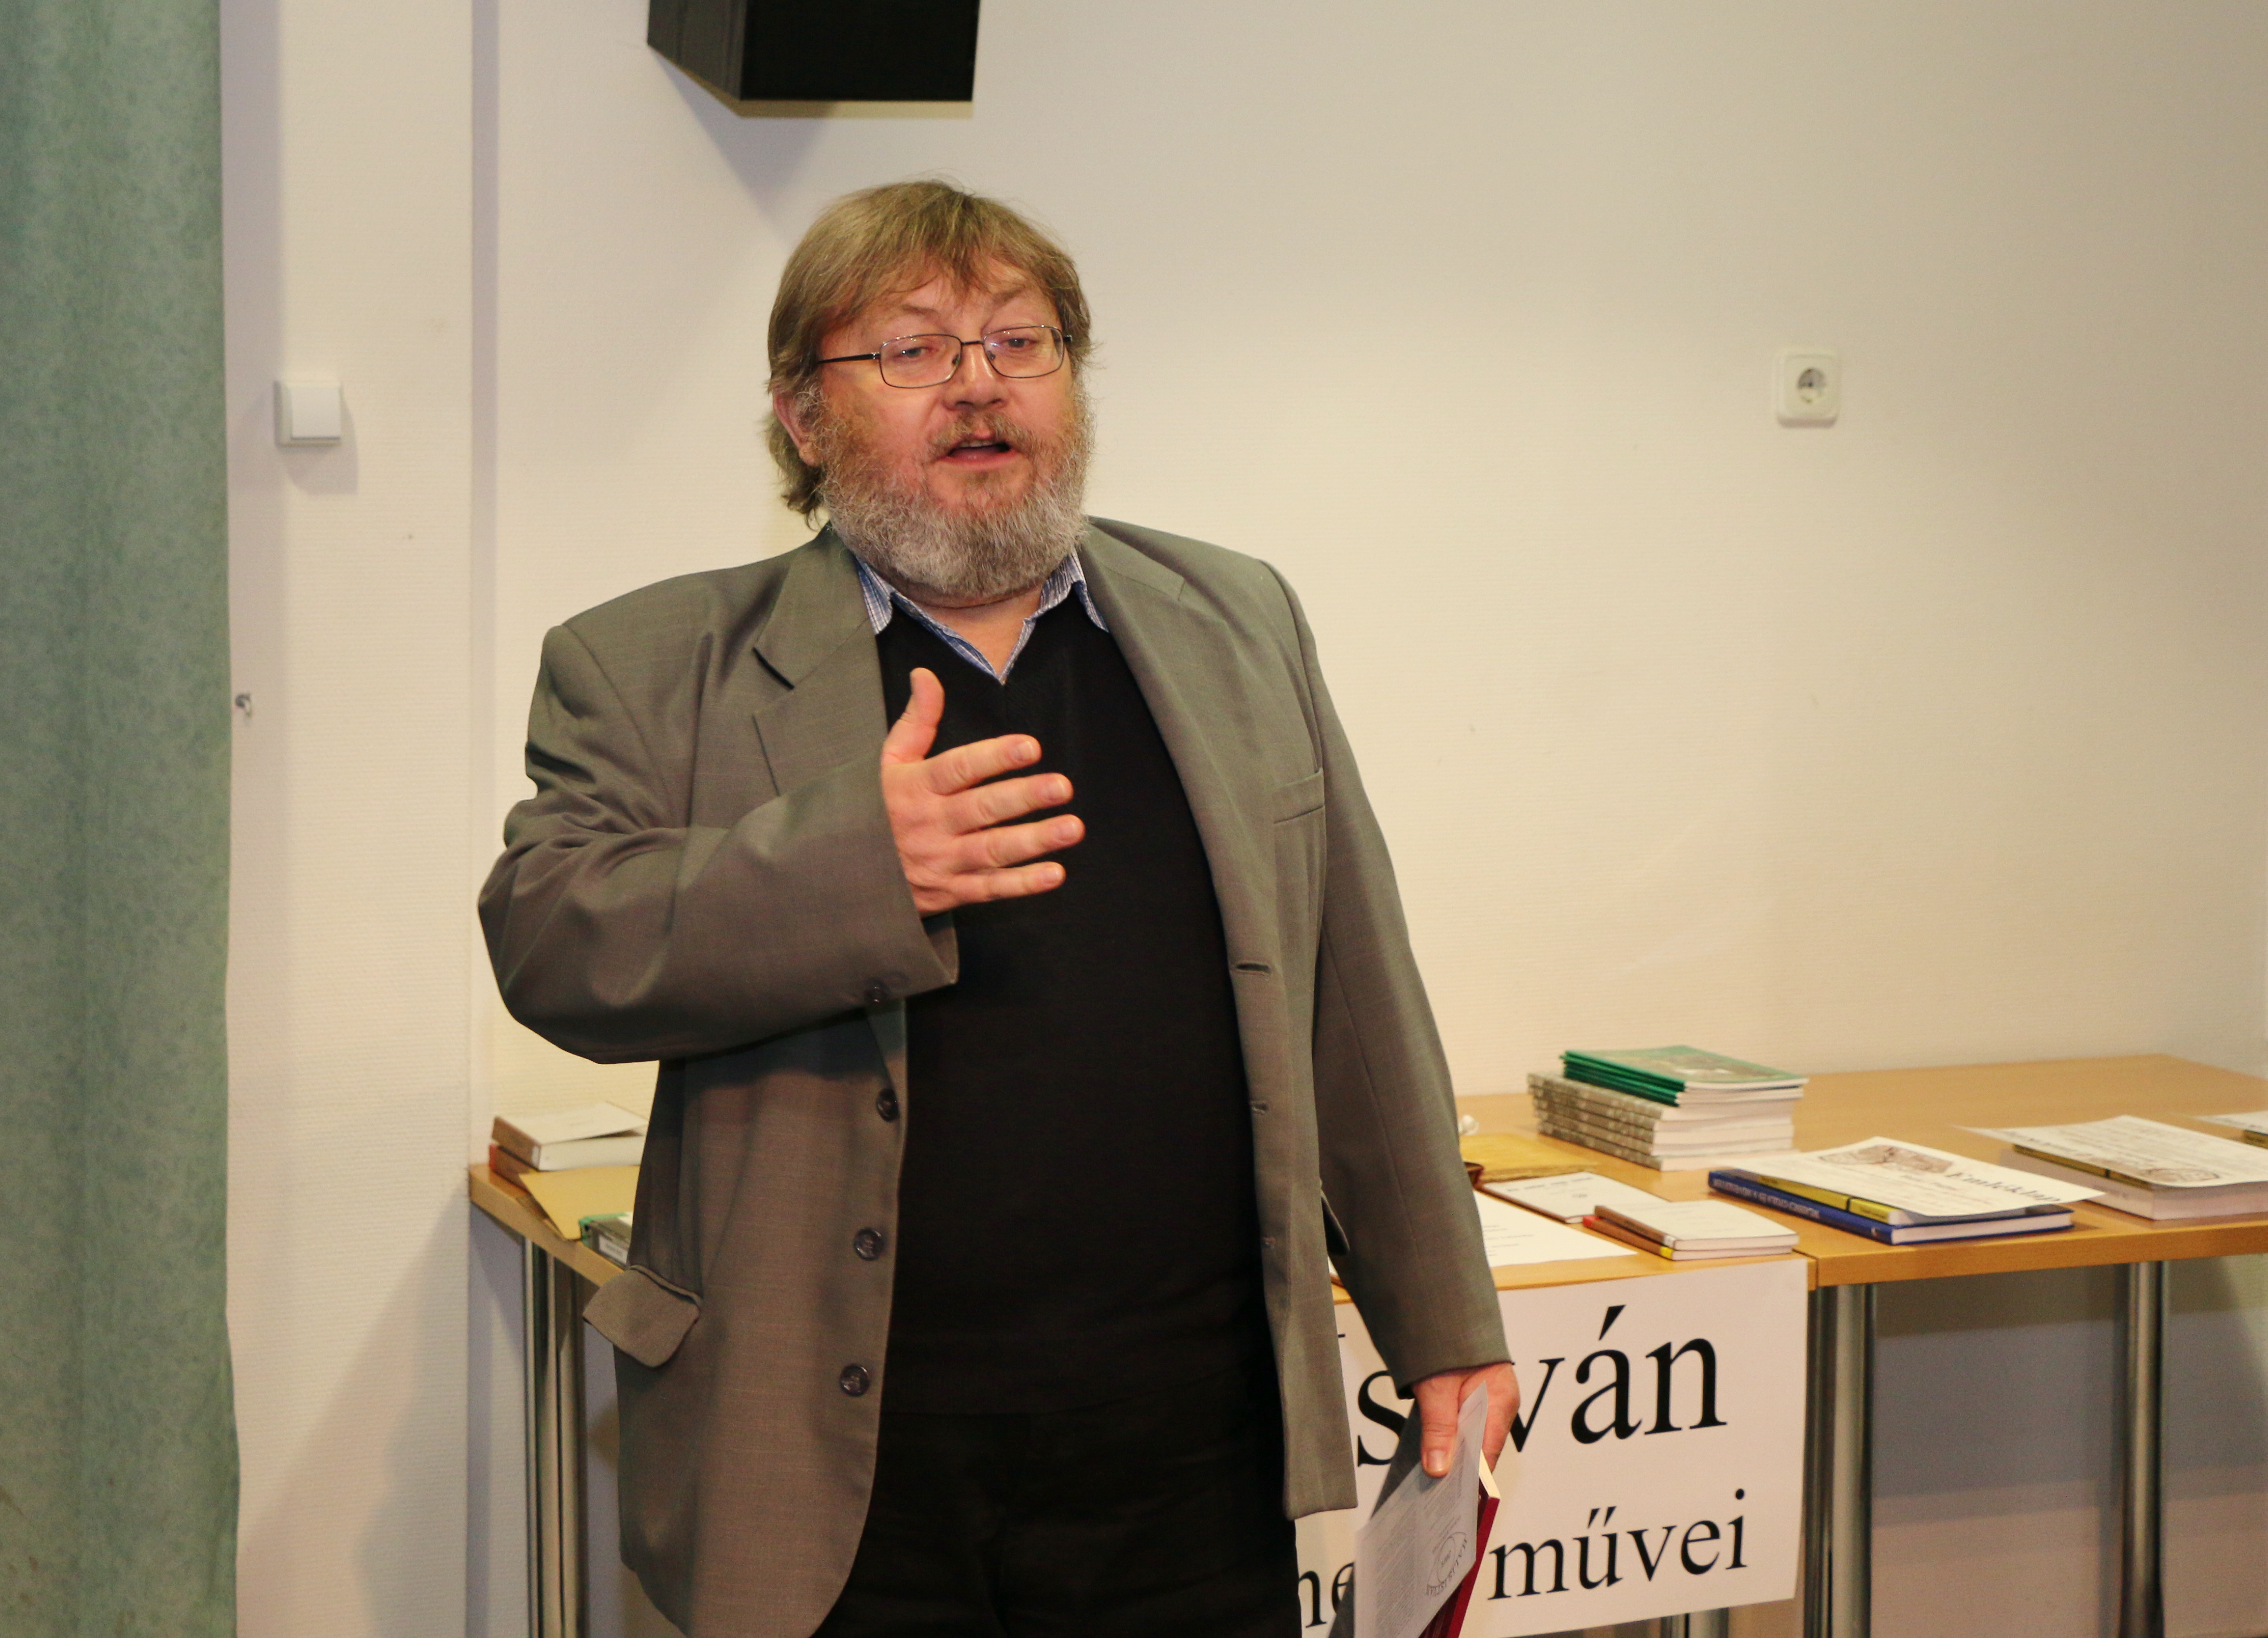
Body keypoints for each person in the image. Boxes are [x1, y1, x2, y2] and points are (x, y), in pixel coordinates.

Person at [481, 180, 1513, 1638]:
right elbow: (548, 938)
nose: (978, 384)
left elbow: (1357, 991)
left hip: (1192, 1449)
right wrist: (856, 866)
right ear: (804, 417)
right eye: (912, 350)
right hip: (841, 1462)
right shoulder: (654, 661)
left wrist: (1446, 1322)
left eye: (1020, 342)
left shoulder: (1237, 620)